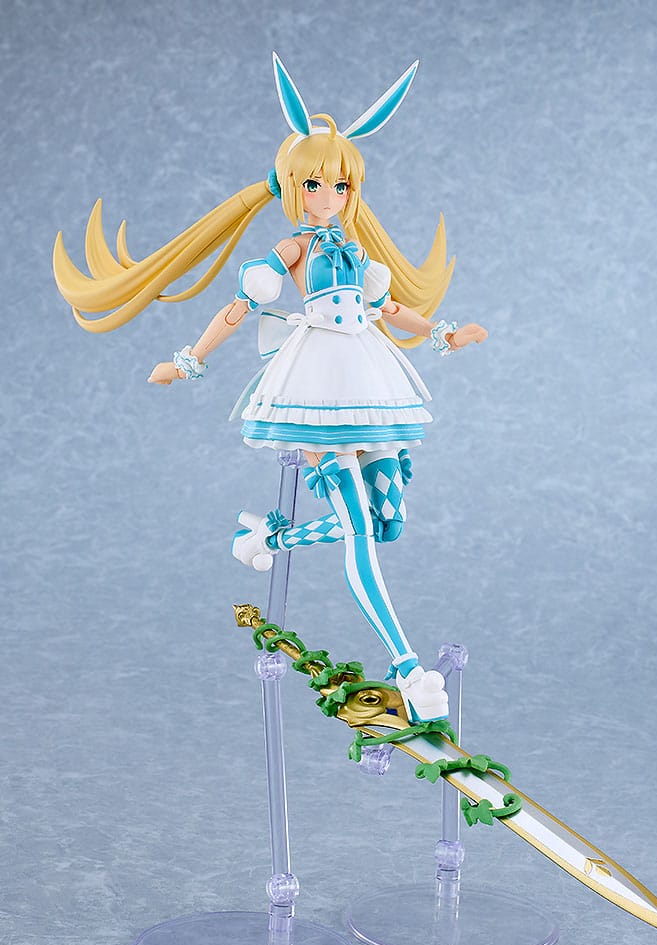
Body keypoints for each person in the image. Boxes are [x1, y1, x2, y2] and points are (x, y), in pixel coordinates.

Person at [53, 54, 488, 723]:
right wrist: (189, 361)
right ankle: (408, 667)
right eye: (316, 184)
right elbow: (240, 308)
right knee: (358, 532)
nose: (329, 197)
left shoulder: (354, 252)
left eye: (340, 186)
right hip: (314, 386)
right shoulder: (293, 251)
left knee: (387, 523)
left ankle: (268, 542)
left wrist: (443, 333)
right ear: (293, 187)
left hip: (368, 379)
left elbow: (389, 308)